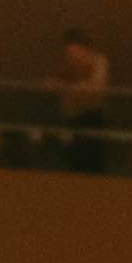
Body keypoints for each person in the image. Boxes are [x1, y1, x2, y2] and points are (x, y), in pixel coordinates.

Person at [50, 26, 113, 173]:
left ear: (85, 48)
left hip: (92, 118)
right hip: (71, 120)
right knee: (72, 165)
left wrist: (68, 88)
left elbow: (97, 87)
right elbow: (54, 84)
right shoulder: (66, 67)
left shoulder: (99, 61)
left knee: (92, 164)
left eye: (76, 51)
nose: (73, 57)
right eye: (69, 53)